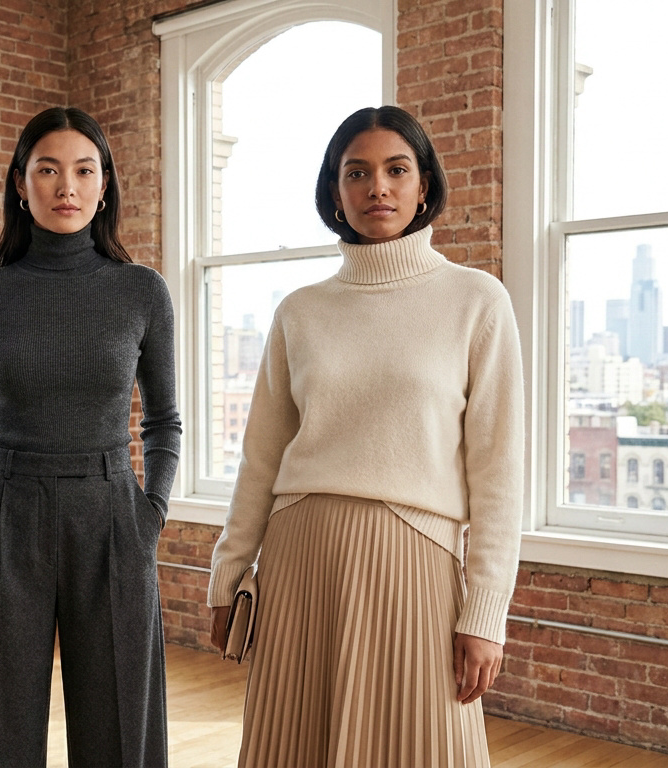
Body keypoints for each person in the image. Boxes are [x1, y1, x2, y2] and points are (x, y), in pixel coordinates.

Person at [207, 105, 523, 767]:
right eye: (358, 172)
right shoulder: (300, 311)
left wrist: (485, 615)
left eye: (396, 169)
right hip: (299, 561)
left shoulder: (477, 300)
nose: (377, 186)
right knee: (293, 745)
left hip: (417, 566)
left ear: (423, 185)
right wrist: (229, 572)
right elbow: (260, 457)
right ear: (335, 193)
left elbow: (499, 470)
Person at [0, 106, 180, 767]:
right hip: (3, 517)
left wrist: (151, 513)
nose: (66, 186)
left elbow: (163, 421)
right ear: (21, 184)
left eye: (83, 170)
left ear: (105, 185)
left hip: (112, 517)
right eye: (48, 169)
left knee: (118, 734)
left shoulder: (141, 292)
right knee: (1, 732)